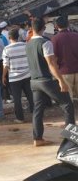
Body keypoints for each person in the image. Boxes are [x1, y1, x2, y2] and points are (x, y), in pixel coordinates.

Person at [26, 18, 75, 147]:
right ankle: (70, 139)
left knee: (38, 110)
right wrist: (60, 80)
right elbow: (52, 64)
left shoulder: (28, 43)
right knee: (67, 105)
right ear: (43, 28)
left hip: (34, 81)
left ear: (32, 28)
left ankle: (37, 138)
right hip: (46, 80)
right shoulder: (45, 43)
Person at [2, 29, 34, 123]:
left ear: (9, 38)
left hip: (14, 78)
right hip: (27, 75)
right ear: (18, 36)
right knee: (30, 95)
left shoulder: (7, 49)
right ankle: (36, 114)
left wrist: (3, 76)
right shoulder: (25, 45)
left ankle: (20, 118)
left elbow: (6, 65)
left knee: (17, 99)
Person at [52, 16, 78, 101]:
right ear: (68, 24)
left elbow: (54, 58)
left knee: (68, 100)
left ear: (56, 26)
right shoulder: (76, 35)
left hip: (65, 72)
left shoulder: (55, 39)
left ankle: (72, 114)